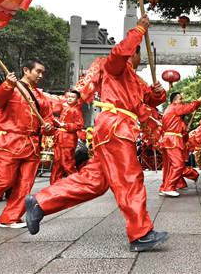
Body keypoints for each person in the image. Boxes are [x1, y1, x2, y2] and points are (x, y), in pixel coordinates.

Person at [24, 16, 170, 252]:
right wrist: (139, 30)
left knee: (94, 181)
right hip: (115, 127)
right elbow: (119, 54)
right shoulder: (112, 66)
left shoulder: (133, 77)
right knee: (129, 179)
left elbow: (150, 100)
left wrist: (158, 93)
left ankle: (40, 202)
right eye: (137, 52)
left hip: (117, 128)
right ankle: (140, 233)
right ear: (134, 54)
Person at [0, 60, 55, 228]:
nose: (40, 75)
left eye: (42, 72)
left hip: (31, 145)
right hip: (8, 142)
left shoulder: (40, 96)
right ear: (26, 70)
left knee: (25, 184)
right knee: (3, 180)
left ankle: (11, 217)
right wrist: (7, 85)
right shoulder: (11, 87)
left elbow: (48, 119)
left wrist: (48, 126)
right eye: (38, 71)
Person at [158, 91, 201, 197]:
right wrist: (198, 102)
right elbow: (188, 108)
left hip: (168, 140)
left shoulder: (168, 110)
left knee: (169, 166)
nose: (182, 101)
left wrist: (184, 130)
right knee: (178, 164)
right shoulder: (175, 107)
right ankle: (169, 187)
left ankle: (165, 186)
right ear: (175, 100)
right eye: (181, 99)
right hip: (173, 140)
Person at [50, 89, 84, 184]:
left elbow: (79, 125)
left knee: (67, 163)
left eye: (72, 97)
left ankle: (77, 184)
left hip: (68, 140)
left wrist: (64, 125)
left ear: (77, 100)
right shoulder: (65, 108)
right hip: (60, 138)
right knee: (57, 163)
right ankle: (54, 184)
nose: (69, 99)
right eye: (68, 97)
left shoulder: (76, 110)